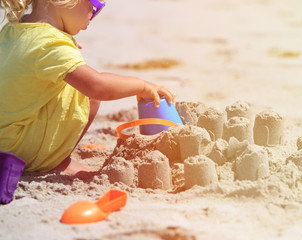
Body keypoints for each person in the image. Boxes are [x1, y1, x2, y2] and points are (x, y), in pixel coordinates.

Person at [0, 0, 176, 175]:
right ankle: (57, 160)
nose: (93, 14)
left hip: (5, 137)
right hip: (16, 151)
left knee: (69, 79)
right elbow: (97, 86)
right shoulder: (50, 43)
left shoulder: (14, 28)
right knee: (86, 93)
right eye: (94, 5)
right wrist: (142, 86)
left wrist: (63, 53)